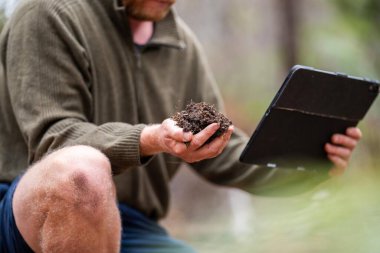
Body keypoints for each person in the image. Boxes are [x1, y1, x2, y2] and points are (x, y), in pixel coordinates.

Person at [0, 0, 362, 252]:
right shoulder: (49, 12)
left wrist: (307, 165)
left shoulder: (181, 43)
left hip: (133, 228)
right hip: (27, 215)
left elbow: (223, 152)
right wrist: (151, 138)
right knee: (82, 170)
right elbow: (55, 140)